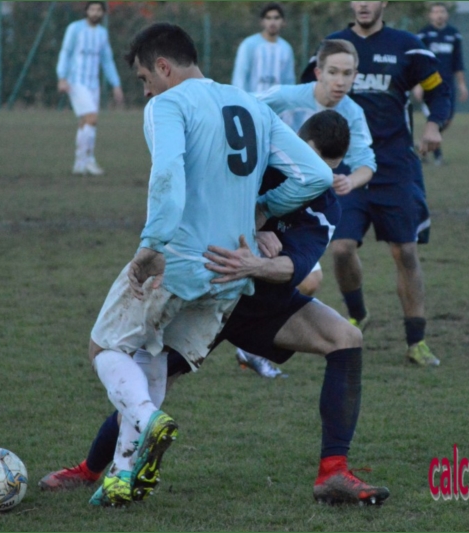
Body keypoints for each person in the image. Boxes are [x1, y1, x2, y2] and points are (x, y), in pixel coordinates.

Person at [40, 111, 391, 507]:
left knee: (346, 338)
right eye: (312, 162)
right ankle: (89, 470)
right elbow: (200, 206)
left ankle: (333, 473)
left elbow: (293, 268)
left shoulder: (324, 203)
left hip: (262, 304)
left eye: (329, 169)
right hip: (206, 298)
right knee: (150, 388)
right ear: (295, 145)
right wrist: (252, 229)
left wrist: (255, 264)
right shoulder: (254, 169)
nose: (319, 176)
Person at [85, 22, 333, 507]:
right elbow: (316, 175)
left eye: (144, 79)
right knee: (152, 355)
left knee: (104, 347)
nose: (145, 91)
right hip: (231, 271)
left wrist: (152, 244)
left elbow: (167, 174)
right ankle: (121, 475)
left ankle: (147, 420)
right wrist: (264, 208)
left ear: (163, 66)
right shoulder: (250, 104)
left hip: (177, 258)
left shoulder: (167, 104)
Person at [303, 1, 450, 366]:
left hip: (394, 166)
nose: (364, 4)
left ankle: (416, 341)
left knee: (405, 251)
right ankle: (358, 313)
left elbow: (439, 91)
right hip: (345, 167)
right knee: (341, 249)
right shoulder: (332, 47)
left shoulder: (408, 47)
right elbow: (306, 92)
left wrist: (434, 125)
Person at [236, 39, 376, 378]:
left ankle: (248, 343)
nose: (340, 81)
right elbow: (241, 111)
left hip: (302, 212)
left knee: (308, 280)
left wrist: (350, 181)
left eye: (347, 74)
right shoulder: (286, 97)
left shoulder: (353, 114)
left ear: (356, 76)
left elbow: (367, 163)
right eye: (333, 72)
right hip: (257, 198)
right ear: (318, 72)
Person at [56, 1, 125, 176]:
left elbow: (107, 60)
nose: (95, 13)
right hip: (76, 82)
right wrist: (62, 77)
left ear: (103, 13)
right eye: (92, 9)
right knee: (91, 118)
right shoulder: (75, 28)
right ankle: (87, 160)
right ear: (86, 11)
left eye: (98, 10)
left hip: (93, 84)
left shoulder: (102, 33)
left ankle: (80, 164)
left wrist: (116, 84)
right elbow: (65, 52)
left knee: (86, 123)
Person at [414, 2, 469, 166]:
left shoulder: (454, 34)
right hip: (429, 84)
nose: (439, 15)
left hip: (448, 84)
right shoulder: (423, 34)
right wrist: (417, 84)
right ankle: (437, 156)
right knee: (436, 118)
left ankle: (423, 145)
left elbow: (458, 62)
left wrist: (462, 84)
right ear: (430, 15)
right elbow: (418, 61)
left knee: (447, 120)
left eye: (442, 11)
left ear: (447, 14)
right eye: (435, 12)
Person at [231, 2, 295, 93]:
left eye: (276, 18)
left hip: (276, 101)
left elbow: (288, 80)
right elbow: (240, 77)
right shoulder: (249, 44)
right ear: (262, 22)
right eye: (268, 18)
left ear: (283, 21)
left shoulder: (286, 48)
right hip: (252, 99)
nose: (272, 22)